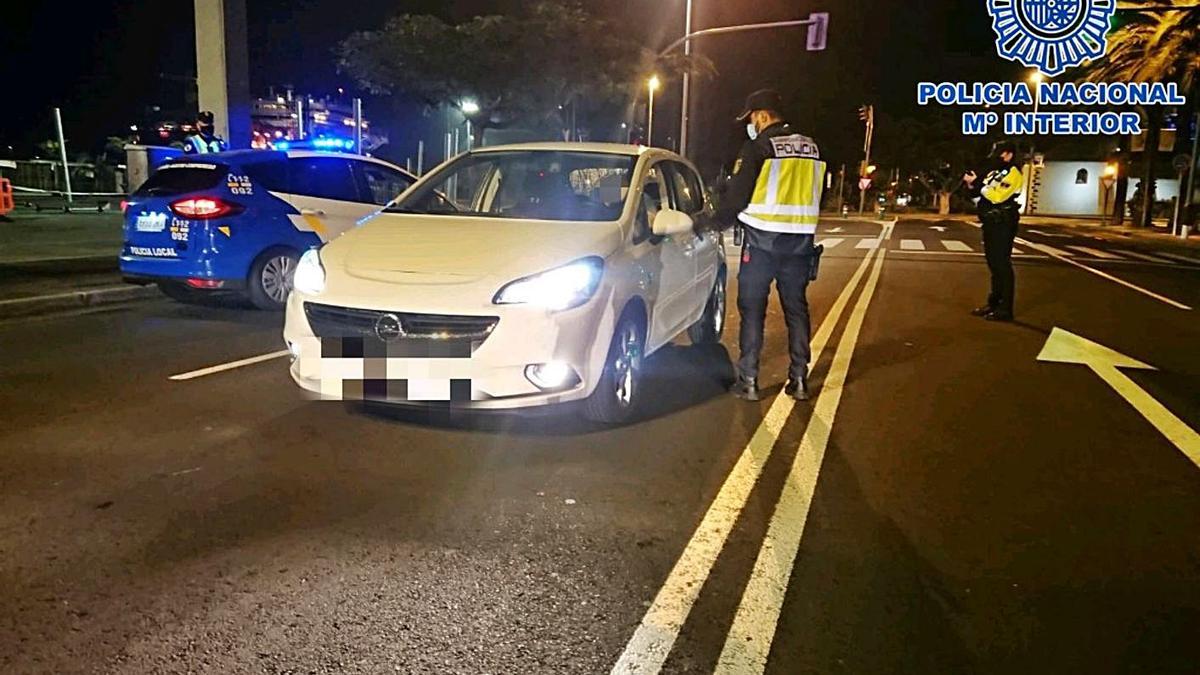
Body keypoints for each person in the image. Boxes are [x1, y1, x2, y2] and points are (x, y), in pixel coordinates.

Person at [707, 89, 827, 402]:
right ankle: (799, 380)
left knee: (752, 310)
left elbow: (736, 198)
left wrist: (712, 223)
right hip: (800, 243)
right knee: (796, 309)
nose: (751, 124)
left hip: (761, 242)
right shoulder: (813, 147)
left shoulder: (758, 147)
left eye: (751, 118)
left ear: (762, 115)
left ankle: (748, 381)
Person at [963, 140, 1024, 322]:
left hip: (1003, 221)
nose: (996, 156)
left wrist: (980, 186)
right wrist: (972, 184)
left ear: (1009, 154)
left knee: (1001, 264)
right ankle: (994, 303)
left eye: (1000, 153)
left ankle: (1005, 309)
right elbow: (980, 193)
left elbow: (997, 196)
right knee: (993, 264)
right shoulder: (995, 172)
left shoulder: (1014, 173)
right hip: (990, 221)